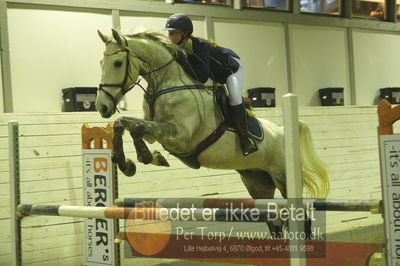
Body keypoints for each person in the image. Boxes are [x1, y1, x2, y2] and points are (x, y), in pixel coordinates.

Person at [164, 13, 258, 156]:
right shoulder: (179, 48)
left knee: (233, 96)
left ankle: (245, 140)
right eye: (169, 33)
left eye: (173, 33)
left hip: (231, 70)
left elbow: (201, 77)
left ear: (184, 33)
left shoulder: (199, 46)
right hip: (214, 74)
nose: (170, 36)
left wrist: (182, 62)